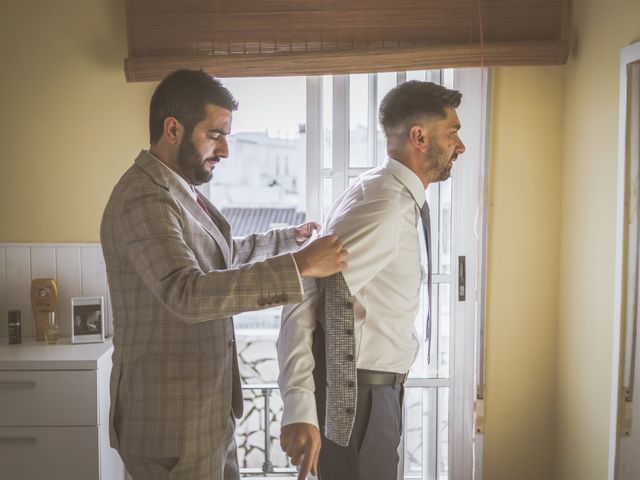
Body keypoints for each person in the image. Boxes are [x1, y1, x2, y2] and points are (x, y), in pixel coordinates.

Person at [100, 69, 348, 480]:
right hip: (170, 426)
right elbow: (187, 292)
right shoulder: (144, 198)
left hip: (202, 415)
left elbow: (221, 256)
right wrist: (299, 266)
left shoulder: (177, 190)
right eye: (215, 135)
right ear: (173, 129)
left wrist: (289, 240)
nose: (226, 150)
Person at [277, 80, 465, 480]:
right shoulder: (386, 206)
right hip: (360, 397)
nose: (459, 146)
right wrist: (299, 408)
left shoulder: (382, 191)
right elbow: (303, 292)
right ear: (419, 136)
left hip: (376, 392)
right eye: (453, 134)